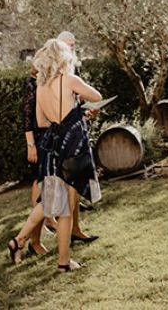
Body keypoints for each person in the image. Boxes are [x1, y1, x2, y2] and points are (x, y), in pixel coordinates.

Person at [8, 39, 102, 271]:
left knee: (57, 206)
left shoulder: (40, 87)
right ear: (64, 59)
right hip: (72, 149)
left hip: (52, 149)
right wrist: (77, 111)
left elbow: (41, 121)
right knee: (66, 209)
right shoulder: (70, 80)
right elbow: (97, 97)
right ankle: (63, 262)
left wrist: (61, 117)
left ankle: (44, 252)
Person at [54, 30, 98, 244]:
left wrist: (83, 109)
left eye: (73, 45)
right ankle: (62, 233)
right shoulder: (55, 74)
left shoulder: (72, 70)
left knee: (75, 184)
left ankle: (76, 229)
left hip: (74, 129)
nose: (72, 49)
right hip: (64, 137)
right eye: (68, 45)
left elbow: (73, 102)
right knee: (66, 186)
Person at [21, 51, 49, 257]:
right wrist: (31, 145)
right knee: (41, 186)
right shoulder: (31, 83)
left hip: (50, 139)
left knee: (46, 186)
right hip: (38, 141)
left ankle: (42, 228)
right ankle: (33, 241)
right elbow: (27, 117)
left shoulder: (48, 81)